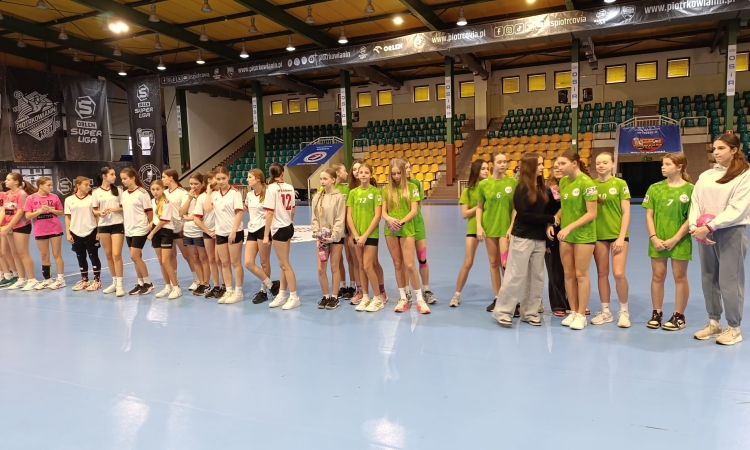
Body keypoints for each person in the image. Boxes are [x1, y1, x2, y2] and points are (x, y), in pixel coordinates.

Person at [690, 134, 750, 345]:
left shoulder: (744, 175)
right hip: (703, 232)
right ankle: (714, 322)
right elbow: (695, 202)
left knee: (730, 280)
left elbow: (737, 208)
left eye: (721, 148)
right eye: (714, 148)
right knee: (708, 278)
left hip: (730, 232)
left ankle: (734, 327)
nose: (716, 152)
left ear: (734, 150)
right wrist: (694, 226)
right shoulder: (706, 175)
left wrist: (710, 226)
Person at [493, 153, 556, 326]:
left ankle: (530, 312)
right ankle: (503, 311)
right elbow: (525, 214)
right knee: (515, 275)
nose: (543, 167)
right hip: (522, 237)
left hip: (539, 239)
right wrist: (549, 219)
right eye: (539, 164)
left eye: (543, 164)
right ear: (531, 166)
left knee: (536, 277)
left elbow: (548, 209)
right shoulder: (521, 188)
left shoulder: (542, 188)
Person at [642, 153, 693, 332]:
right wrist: (654, 237)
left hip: (680, 240)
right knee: (658, 275)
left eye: (667, 164)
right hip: (657, 240)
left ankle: (679, 316)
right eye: (662, 164)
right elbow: (649, 215)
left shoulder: (691, 189)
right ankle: (656, 312)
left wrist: (676, 238)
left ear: (679, 167)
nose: (662, 167)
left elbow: (691, 217)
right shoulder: (655, 188)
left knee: (680, 276)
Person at [556, 150, 598, 330]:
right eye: (558, 164)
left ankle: (581, 314)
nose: (559, 167)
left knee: (581, 274)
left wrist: (569, 227)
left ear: (574, 163)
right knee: (568, 274)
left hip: (583, 236)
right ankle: (572, 311)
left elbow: (591, 213)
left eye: (562, 163)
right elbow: (565, 207)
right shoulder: (563, 182)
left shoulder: (587, 183)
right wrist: (556, 218)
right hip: (566, 236)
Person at [591, 152, 631, 328]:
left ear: (613, 164)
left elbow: (626, 212)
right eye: (598, 163)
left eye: (605, 162)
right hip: (598, 235)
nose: (601, 165)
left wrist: (621, 237)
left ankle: (624, 311)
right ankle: (606, 311)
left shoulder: (620, 184)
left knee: (618, 273)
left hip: (617, 235)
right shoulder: (591, 185)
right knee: (602, 273)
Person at [383, 159, 429, 313]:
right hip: (390, 231)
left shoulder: (412, 187)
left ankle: (420, 299)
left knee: (409, 265)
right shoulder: (386, 190)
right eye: (393, 173)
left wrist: (400, 222)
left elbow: (414, 210)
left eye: (399, 173)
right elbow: (383, 212)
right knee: (397, 264)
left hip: (406, 229)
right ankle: (403, 297)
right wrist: (390, 220)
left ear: (403, 172)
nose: (396, 176)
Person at [476, 152, 517, 311]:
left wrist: (511, 226)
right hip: (490, 228)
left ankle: (511, 299)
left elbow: (515, 208)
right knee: (493, 263)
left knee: (505, 264)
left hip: (505, 229)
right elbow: (479, 207)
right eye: (499, 162)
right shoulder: (484, 184)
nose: (503, 164)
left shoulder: (512, 182)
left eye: (505, 161)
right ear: (492, 164)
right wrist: (479, 226)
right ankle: (498, 297)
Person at [450, 159, 489, 307]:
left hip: (491, 228)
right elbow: (465, 214)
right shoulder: (468, 191)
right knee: (468, 262)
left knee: (498, 263)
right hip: (473, 228)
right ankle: (456, 295)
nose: (486, 171)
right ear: (476, 171)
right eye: (483, 168)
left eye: (487, 168)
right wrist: (480, 206)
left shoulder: (491, 187)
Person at [348, 159, 388, 303]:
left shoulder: (376, 192)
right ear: (357, 175)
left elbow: (377, 216)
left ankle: (378, 296)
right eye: (361, 172)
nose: (363, 175)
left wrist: (365, 235)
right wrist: (355, 234)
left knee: (368, 265)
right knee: (360, 265)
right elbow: (349, 216)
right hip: (357, 235)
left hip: (370, 235)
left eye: (366, 172)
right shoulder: (353, 193)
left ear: (371, 174)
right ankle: (365, 296)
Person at [204, 167, 245, 304]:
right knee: (224, 263)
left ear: (228, 177)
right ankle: (228, 290)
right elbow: (207, 209)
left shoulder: (235, 193)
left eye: (223, 178)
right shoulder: (214, 194)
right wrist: (209, 191)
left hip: (234, 232)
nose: (221, 181)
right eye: (218, 179)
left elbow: (239, 213)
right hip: (220, 232)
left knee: (235, 262)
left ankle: (238, 291)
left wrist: (233, 231)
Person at [264, 163, 300, 310]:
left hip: (279, 228)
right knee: (282, 263)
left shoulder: (271, 189)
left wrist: (266, 235)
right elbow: (292, 210)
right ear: (282, 173)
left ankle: (294, 296)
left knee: (285, 264)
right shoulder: (290, 187)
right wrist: (288, 222)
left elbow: (269, 213)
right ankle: (282, 293)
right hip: (288, 226)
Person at [319, 163, 356, 300]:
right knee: (338, 260)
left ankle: (353, 285)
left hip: (345, 227)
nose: (347, 173)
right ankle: (342, 285)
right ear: (337, 173)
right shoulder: (322, 191)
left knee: (350, 257)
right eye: (344, 170)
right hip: (331, 230)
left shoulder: (347, 189)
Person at [311, 168, 346, 310]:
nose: (322, 181)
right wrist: (318, 233)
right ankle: (325, 296)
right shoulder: (317, 197)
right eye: (321, 179)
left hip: (335, 238)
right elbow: (314, 218)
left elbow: (340, 218)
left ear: (333, 180)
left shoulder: (339, 197)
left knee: (334, 266)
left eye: (325, 179)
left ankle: (334, 297)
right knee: (321, 268)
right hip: (322, 239)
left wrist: (332, 236)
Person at [244, 169, 279, 304]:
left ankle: (263, 290)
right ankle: (272, 285)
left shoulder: (268, 192)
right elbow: (247, 208)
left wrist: (266, 232)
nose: (247, 179)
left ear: (258, 178)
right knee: (248, 262)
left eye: (250, 177)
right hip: (252, 229)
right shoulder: (249, 194)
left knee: (264, 262)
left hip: (264, 229)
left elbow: (274, 210)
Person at [24, 177, 65, 290]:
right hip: (40, 230)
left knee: (57, 254)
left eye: (51, 185)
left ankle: (60, 279)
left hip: (55, 229)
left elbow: (61, 212)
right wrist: (40, 211)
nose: (51, 187)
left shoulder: (54, 197)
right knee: (44, 255)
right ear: (41, 186)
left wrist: (51, 210)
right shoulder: (31, 198)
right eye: (48, 185)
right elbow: (28, 216)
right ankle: (48, 279)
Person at [405, 161, 436, 304]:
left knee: (422, 258)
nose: (408, 170)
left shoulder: (416, 183)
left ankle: (426, 290)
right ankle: (406, 291)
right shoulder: (396, 187)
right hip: (404, 227)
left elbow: (418, 205)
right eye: (405, 168)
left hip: (417, 225)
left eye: (409, 167)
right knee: (406, 262)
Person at [163, 169, 200, 290]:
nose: (162, 179)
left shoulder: (182, 193)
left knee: (187, 255)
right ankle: (174, 280)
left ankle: (197, 279)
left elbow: (185, 210)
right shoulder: (164, 193)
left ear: (171, 178)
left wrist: (183, 225)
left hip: (180, 228)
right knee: (171, 256)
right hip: (168, 228)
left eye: (164, 177)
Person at [119, 167, 154, 295]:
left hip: (140, 228)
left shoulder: (142, 193)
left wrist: (150, 226)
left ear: (133, 178)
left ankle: (148, 283)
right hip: (129, 229)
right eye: (122, 179)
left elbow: (149, 211)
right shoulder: (124, 194)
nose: (123, 181)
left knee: (134, 256)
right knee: (136, 258)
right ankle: (140, 283)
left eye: (125, 178)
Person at [64, 176, 102, 291]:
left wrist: (99, 230)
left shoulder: (92, 199)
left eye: (89, 185)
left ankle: (97, 281)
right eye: (86, 185)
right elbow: (68, 217)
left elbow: (97, 216)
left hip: (91, 230)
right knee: (80, 256)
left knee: (93, 255)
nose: (88, 187)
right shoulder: (69, 200)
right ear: (78, 185)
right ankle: (84, 280)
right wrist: (68, 233)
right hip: (76, 232)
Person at [193, 171, 225, 300]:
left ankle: (225, 285)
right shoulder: (202, 197)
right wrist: (208, 231)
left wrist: (217, 229)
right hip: (208, 232)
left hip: (220, 231)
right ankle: (216, 286)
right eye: (212, 180)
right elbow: (196, 218)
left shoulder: (221, 195)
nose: (216, 182)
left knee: (220, 259)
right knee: (211, 259)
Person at [92, 167, 125, 296]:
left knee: (117, 254)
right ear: (104, 176)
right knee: (109, 255)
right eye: (112, 174)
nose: (115, 176)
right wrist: (100, 212)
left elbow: (123, 208)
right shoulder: (96, 192)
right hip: (103, 226)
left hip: (117, 225)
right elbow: (94, 210)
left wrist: (114, 209)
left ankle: (120, 285)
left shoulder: (119, 190)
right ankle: (114, 282)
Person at [147, 180, 181, 299]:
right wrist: (151, 223)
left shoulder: (166, 202)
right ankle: (168, 286)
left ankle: (176, 287)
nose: (155, 192)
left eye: (158, 189)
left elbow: (163, 221)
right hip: (156, 230)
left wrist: (151, 233)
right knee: (161, 261)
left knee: (166, 261)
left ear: (162, 189)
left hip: (165, 232)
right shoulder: (153, 201)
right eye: (153, 189)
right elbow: (156, 217)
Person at [0, 173, 35, 290]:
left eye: (8, 179)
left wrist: (8, 227)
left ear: (16, 182)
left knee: (23, 253)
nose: (5, 181)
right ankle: (21, 279)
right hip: (10, 227)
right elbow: (4, 210)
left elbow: (20, 213)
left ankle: (32, 279)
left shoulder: (22, 194)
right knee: (15, 253)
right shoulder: (7, 194)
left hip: (21, 226)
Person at [544, 160, 569, 316]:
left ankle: (573, 302)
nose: (558, 169)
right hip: (552, 230)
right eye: (555, 167)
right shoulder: (546, 188)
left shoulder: (573, 184)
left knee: (571, 269)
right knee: (555, 269)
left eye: (561, 166)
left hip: (571, 230)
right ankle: (558, 304)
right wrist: (546, 233)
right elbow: (543, 211)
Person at [179, 173, 210, 295]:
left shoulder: (205, 196)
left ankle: (206, 283)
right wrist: (189, 199)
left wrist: (190, 217)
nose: (193, 186)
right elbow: (181, 212)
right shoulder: (187, 196)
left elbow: (204, 214)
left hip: (200, 231)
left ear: (202, 183)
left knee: (203, 258)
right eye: (191, 184)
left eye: (196, 184)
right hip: (188, 232)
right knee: (194, 258)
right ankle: (201, 282)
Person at [0, 186, 19, 288]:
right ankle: (4, 275)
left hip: (4, 226)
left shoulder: (4, 195)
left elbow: (4, 211)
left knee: (5, 252)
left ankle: (15, 274)